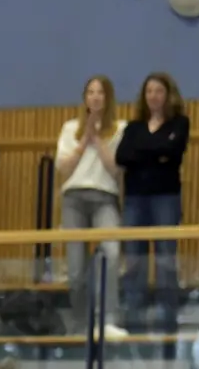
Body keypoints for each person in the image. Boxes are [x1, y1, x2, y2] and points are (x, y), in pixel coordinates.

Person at [115, 72, 190, 336]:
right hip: (135, 198)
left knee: (165, 258)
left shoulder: (179, 123)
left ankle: (167, 320)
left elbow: (173, 152)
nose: (153, 96)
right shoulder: (134, 127)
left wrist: (145, 152)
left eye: (158, 91)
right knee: (134, 258)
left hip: (165, 197)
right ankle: (133, 320)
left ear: (168, 95)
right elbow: (122, 156)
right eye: (149, 91)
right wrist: (156, 151)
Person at [56, 75, 126, 336]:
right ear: (84, 98)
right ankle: (80, 322)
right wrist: (84, 139)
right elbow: (63, 168)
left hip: (104, 196)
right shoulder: (69, 128)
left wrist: (98, 139)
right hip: (74, 197)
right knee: (75, 267)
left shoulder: (120, 128)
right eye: (90, 92)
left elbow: (116, 169)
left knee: (111, 253)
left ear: (108, 98)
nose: (95, 97)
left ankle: (108, 319)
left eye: (100, 92)